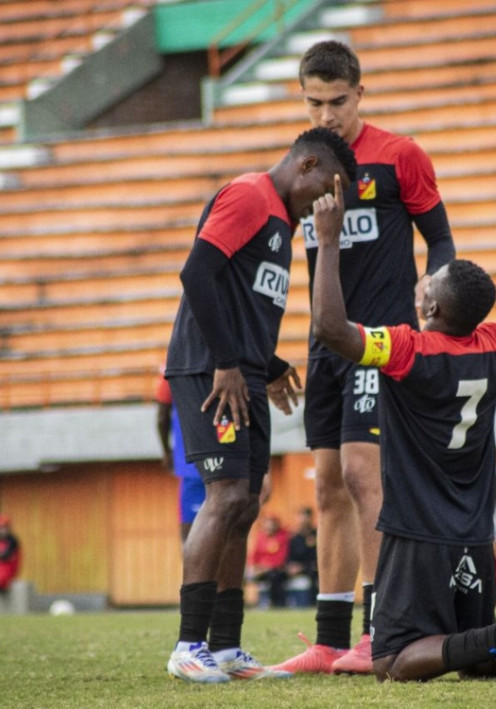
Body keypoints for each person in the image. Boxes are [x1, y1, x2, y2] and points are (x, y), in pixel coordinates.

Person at [307, 174, 496, 682]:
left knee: (390, 659)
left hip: (415, 532)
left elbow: (329, 329)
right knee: (472, 662)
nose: (423, 280)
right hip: (473, 532)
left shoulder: (407, 350)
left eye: (430, 280)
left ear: (430, 308)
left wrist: (327, 240)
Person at [270, 39, 456, 676]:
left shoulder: (401, 155)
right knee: (325, 486)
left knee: (362, 474)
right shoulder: (303, 165)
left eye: (338, 101)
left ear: (360, 92)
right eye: (314, 101)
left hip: (380, 343)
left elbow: (442, 242)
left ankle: (383, 630)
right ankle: (329, 638)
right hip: (323, 345)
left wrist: (431, 307)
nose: (326, 114)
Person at [163, 127, 357, 684]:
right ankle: (188, 645)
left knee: (247, 503)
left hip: (243, 372)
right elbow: (196, 273)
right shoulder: (250, 195)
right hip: (211, 371)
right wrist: (227, 361)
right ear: (308, 164)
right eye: (330, 185)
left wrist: (265, 364)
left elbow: (238, 300)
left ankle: (224, 648)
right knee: (224, 498)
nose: (330, 199)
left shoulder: (282, 223)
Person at [156, 370, 206, 543]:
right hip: (227, 463)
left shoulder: (172, 369)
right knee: (229, 530)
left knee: (190, 535)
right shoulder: (226, 359)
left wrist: (166, 451)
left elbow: (162, 416)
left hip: (192, 466)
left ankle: (193, 570)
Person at [249, 516, 290, 608]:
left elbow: (281, 558)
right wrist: (255, 567)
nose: (269, 528)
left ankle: (275, 603)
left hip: (275, 569)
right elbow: (254, 555)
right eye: (267, 525)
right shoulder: (260, 536)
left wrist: (265, 568)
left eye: (271, 525)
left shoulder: (282, 537)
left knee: (274, 576)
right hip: (260, 570)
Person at [284, 507, 318, 608]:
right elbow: (289, 555)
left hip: (311, 567)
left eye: (306, 517)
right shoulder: (294, 537)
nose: (303, 520)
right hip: (295, 568)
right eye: (301, 517)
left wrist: (302, 567)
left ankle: (311, 604)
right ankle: (279, 603)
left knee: (313, 573)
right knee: (276, 575)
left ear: (310, 518)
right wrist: (290, 567)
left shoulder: (316, 535)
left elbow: (316, 556)